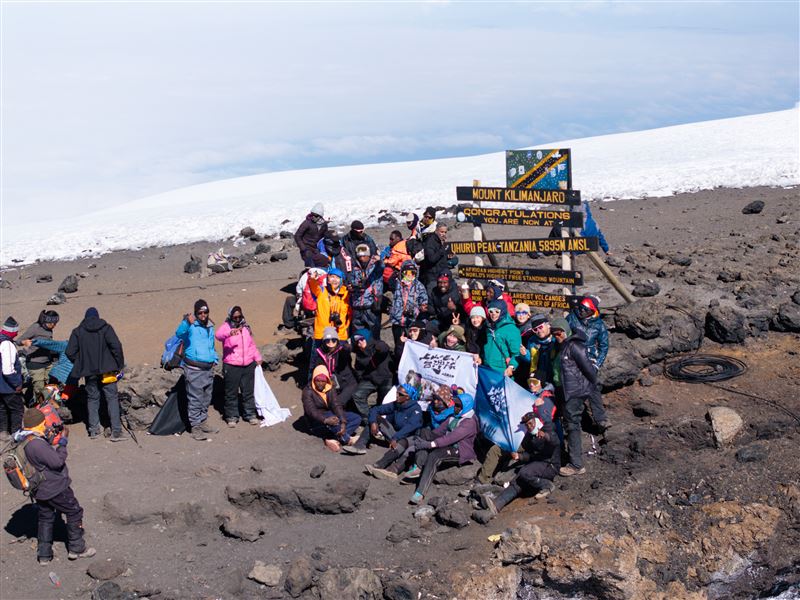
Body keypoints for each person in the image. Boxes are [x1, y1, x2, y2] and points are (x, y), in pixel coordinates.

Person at [16, 408, 96, 564]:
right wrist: (63, 441)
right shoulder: (36, 445)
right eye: (43, 422)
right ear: (39, 423)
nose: (45, 424)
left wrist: (50, 436)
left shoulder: (24, 439)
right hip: (53, 486)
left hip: (38, 488)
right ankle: (77, 548)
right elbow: (57, 462)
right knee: (74, 511)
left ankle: (44, 555)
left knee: (45, 517)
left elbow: (39, 459)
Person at [475, 412, 561, 521]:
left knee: (524, 472)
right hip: (538, 464)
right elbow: (532, 455)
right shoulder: (531, 437)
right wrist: (519, 456)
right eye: (527, 425)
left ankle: (547, 485)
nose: (529, 427)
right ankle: (496, 505)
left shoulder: (547, 429)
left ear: (537, 421)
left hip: (550, 465)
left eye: (531, 423)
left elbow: (556, 442)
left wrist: (546, 436)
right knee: (517, 482)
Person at [66, 307, 126, 441]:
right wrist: (118, 364)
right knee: (112, 398)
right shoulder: (106, 328)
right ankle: (116, 431)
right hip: (108, 370)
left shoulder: (78, 332)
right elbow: (116, 346)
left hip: (89, 372)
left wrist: (81, 362)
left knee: (92, 399)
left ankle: (94, 431)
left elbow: (69, 352)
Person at [407, 392, 478, 504]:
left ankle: (420, 492)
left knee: (435, 455)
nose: (456, 407)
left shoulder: (470, 422)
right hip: (446, 443)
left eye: (459, 406)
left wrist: (430, 444)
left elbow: (452, 438)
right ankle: (419, 466)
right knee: (425, 432)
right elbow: (439, 431)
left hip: (459, 449)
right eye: (455, 404)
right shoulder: (454, 416)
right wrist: (427, 440)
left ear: (466, 407)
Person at [550, 318, 598, 477]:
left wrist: (586, 388)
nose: (557, 335)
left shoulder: (575, 347)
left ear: (566, 331)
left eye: (559, 332)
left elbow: (590, 371)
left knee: (572, 425)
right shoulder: (559, 347)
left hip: (574, 392)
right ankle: (569, 458)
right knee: (568, 424)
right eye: (554, 333)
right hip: (563, 391)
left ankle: (576, 464)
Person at [175, 300, 219, 441]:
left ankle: (203, 422)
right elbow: (179, 333)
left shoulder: (210, 327)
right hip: (194, 369)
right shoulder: (190, 326)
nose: (203, 315)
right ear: (195, 312)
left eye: (205, 312)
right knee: (195, 399)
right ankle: (195, 427)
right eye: (200, 312)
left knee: (206, 398)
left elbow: (211, 345)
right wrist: (186, 322)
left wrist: (214, 358)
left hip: (208, 368)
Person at [567, 295, 610, 430]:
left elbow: (604, 346)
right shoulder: (571, 318)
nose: (581, 311)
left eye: (585, 309)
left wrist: (597, 364)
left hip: (588, 359)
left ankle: (601, 419)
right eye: (580, 308)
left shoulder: (599, 324)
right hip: (572, 357)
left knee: (593, 387)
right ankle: (572, 420)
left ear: (592, 311)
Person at [342, 383, 423, 454]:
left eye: (400, 394)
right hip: (394, 434)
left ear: (407, 397)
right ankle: (359, 446)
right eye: (397, 393)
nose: (397, 395)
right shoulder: (396, 404)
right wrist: (373, 422)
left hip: (404, 438)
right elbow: (375, 409)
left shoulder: (416, 410)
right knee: (375, 418)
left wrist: (396, 438)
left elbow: (409, 428)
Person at [215, 306, 262, 427]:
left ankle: (250, 414)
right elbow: (218, 335)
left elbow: (251, 344)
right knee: (231, 392)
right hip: (231, 365)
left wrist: (257, 357)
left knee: (248, 391)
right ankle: (231, 416)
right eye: (234, 317)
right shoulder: (226, 326)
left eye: (239, 316)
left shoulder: (246, 327)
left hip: (247, 364)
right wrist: (229, 333)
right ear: (230, 316)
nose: (237, 319)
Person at [302, 365, 360, 452]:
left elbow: (336, 405)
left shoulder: (330, 388)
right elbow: (311, 411)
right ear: (314, 379)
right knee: (334, 421)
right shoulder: (307, 391)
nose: (320, 383)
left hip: (330, 415)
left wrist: (343, 421)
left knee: (356, 418)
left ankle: (334, 438)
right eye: (317, 381)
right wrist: (325, 420)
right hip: (316, 422)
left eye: (323, 381)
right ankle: (348, 440)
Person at [309, 327, 358, 411]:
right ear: (324, 342)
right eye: (327, 340)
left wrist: (347, 347)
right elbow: (315, 368)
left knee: (338, 402)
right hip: (330, 383)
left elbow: (346, 351)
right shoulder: (319, 353)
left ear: (337, 341)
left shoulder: (341, 351)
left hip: (347, 383)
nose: (330, 343)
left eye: (333, 340)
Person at [350, 329, 393, 424]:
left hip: (386, 378)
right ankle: (368, 418)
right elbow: (359, 370)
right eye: (357, 341)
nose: (360, 342)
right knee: (357, 395)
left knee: (384, 401)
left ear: (367, 338)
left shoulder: (377, 345)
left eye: (362, 339)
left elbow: (384, 348)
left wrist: (378, 347)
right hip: (370, 379)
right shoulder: (359, 354)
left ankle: (383, 420)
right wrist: (362, 379)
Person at [389, 261, 429, 360]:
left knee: (412, 348)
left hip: (412, 322)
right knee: (399, 347)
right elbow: (388, 282)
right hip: (397, 321)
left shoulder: (419, 286)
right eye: (406, 273)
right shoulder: (397, 283)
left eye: (412, 273)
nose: (409, 275)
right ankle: (399, 367)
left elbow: (424, 303)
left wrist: (421, 309)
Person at [19, 310, 60, 398]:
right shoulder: (35, 327)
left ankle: (50, 405)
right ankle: (37, 406)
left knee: (51, 385)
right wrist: (24, 342)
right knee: (40, 389)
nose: (54, 326)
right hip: (35, 363)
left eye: (56, 323)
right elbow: (19, 341)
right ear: (47, 321)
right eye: (53, 323)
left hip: (47, 362)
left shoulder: (49, 330)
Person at [346, 244, 384, 338]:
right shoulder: (354, 267)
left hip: (371, 306)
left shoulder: (376, 266)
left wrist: (380, 258)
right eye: (359, 256)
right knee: (358, 336)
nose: (361, 258)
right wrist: (352, 287)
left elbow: (383, 265)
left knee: (373, 335)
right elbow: (351, 280)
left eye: (364, 256)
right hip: (357, 305)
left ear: (369, 255)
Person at [480, 300, 522, 377]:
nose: (493, 314)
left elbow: (517, 353)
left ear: (503, 311)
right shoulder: (488, 327)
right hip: (487, 368)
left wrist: (511, 367)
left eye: (497, 311)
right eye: (491, 311)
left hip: (502, 370)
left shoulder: (511, 329)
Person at [310, 267, 351, 342]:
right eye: (332, 277)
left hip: (340, 334)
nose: (335, 280)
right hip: (322, 333)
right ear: (327, 279)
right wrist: (313, 279)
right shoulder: (322, 291)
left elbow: (350, 314)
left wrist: (345, 327)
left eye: (338, 277)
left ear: (342, 280)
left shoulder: (346, 294)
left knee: (341, 353)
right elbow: (313, 285)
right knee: (320, 353)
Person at [0, 316, 24, 442]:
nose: (17, 333)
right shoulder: (7, 344)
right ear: (12, 331)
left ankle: (3, 432)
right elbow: (7, 370)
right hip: (7, 386)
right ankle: (16, 434)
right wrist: (17, 384)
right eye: (16, 331)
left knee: (2, 408)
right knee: (17, 409)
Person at [518, 314, 557, 385]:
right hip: (537, 378)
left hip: (553, 377)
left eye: (540, 327)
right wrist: (525, 354)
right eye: (535, 329)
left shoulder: (556, 338)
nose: (538, 331)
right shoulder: (532, 341)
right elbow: (531, 359)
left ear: (548, 325)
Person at [294, 203, 328, 267]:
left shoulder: (324, 225)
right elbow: (297, 236)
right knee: (310, 264)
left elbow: (325, 237)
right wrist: (303, 248)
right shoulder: (307, 223)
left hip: (317, 249)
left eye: (315, 215)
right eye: (312, 214)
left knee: (324, 261)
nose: (313, 217)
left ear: (320, 216)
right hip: (306, 249)